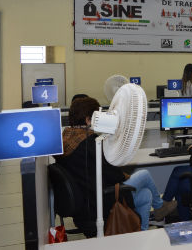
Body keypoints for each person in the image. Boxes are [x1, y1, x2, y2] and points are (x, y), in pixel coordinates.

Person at [54, 97, 176, 231]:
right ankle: (159, 207)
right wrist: (126, 176)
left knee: (146, 194)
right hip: (100, 201)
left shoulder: (65, 140)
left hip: (86, 203)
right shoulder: (91, 143)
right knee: (145, 175)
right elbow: (113, 175)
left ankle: (141, 233)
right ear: (89, 120)